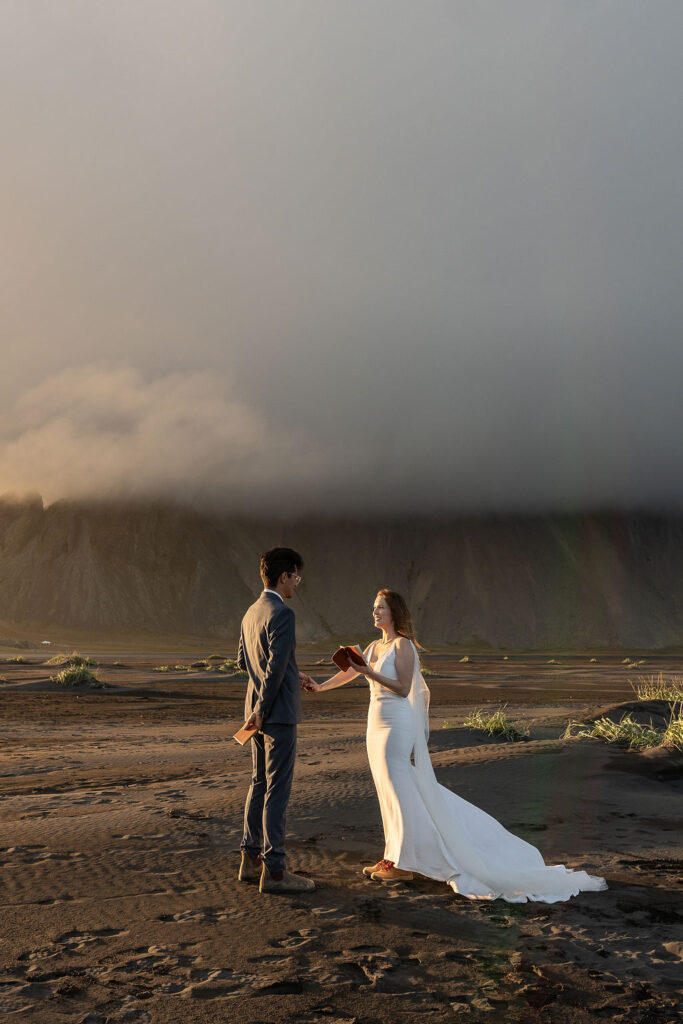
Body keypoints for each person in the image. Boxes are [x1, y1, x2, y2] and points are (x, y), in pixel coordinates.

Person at [305, 589, 607, 902]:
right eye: (373, 608)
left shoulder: (402, 645)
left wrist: (369, 672)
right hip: (375, 725)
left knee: (398, 788)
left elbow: (402, 687)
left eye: (380, 608)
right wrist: (320, 686)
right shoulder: (372, 646)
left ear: (393, 612)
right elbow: (349, 674)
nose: (375, 613)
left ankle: (402, 864)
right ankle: (394, 856)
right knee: (389, 790)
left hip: (396, 724)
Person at [237, 546, 315, 894]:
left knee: (258, 785)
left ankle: (250, 862)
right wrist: (268, 703)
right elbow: (275, 667)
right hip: (276, 714)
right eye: (296, 577)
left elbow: (245, 663)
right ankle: (277, 872)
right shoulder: (282, 614)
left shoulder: (250, 613)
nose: (297, 583)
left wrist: (259, 703)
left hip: (255, 712)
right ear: (283, 576)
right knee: (277, 792)